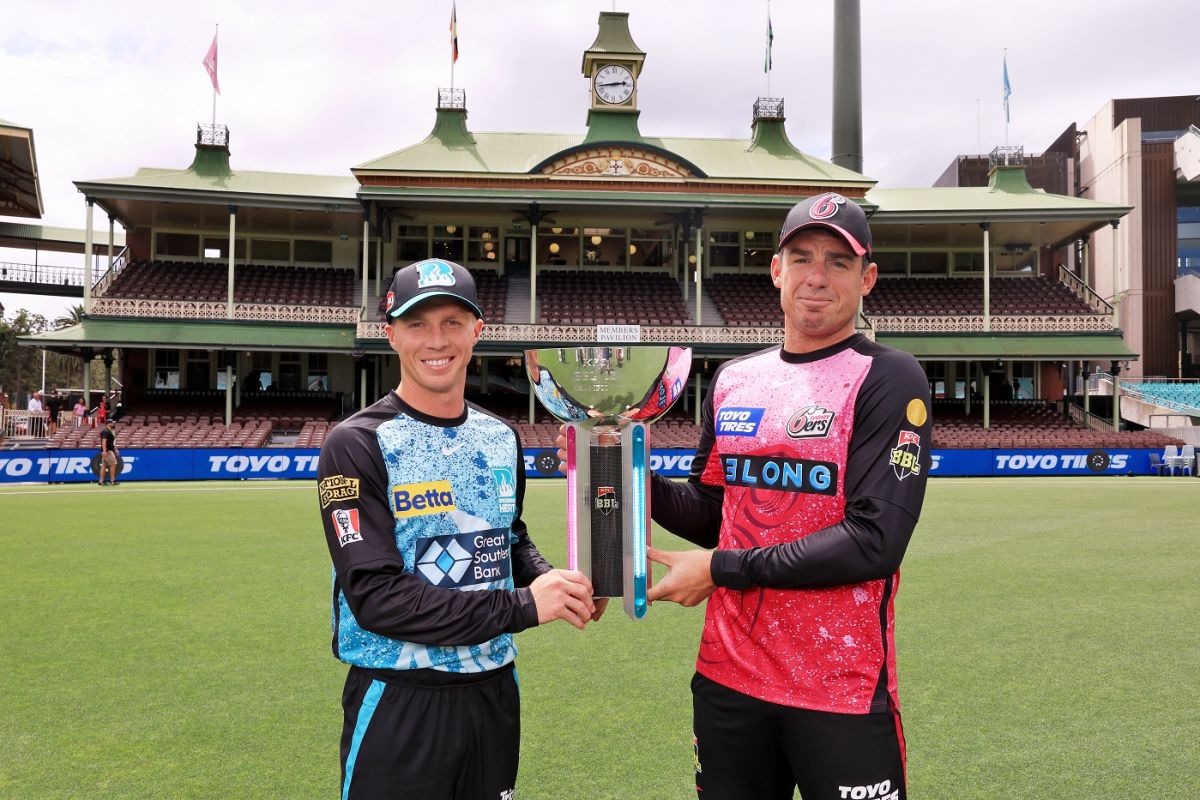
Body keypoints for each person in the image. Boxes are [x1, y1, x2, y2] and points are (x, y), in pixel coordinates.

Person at [645, 193, 932, 800]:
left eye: (838, 261)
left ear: (867, 278)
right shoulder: (735, 379)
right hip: (727, 679)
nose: (817, 277)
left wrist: (722, 570)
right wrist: (627, 475)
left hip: (839, 687)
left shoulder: (889, 376)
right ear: (776, 270)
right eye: (801, 258)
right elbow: (715, 513)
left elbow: (874, 542)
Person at [317, 258, 599, 800]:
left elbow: (508, 536)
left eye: (451, 321)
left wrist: (556, 583)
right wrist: (523, 606)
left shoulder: (500, 437)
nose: (435, 340)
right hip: (399, 699)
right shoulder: (356, 443)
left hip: (493, 693)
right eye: (417, 323)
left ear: (477, 331)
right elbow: (376, 598)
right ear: (391, 334)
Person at [98, 419, 120, 486]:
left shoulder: (110, 431)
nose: (113, 424)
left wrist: (115, 449)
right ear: (108, 424)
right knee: (113, 464)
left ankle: (101, 481)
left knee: (104, 465)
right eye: (112, 423)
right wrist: (104, 450)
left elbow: (112, 442)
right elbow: (103, 441)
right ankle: (112, 481)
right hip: (107, 451)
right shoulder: (106, 431)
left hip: (108, 450)